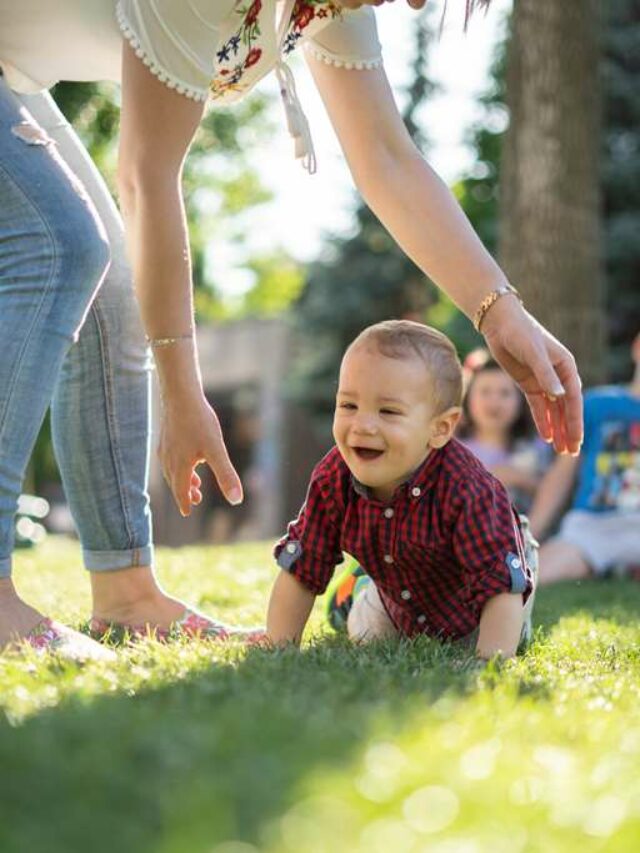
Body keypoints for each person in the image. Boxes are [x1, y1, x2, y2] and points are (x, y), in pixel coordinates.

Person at [0, 0, 580, 656]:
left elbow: (386, 159)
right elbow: (146, 174)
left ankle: (127, 596)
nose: (417, 4)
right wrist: (183, 393)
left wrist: (500, 312)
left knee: (111, 286)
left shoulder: (337, 4)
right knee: (60, 244)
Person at [266, 321, 538, 659]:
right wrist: (277, 647)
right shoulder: (333, 478)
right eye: (348, 405)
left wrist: (491, 664)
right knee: (369, 636)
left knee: (507, 637)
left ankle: (361, 587)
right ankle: (357, 592)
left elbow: (500, 586)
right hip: (399, 599)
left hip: (479, 606)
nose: (362, 426)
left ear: (440, 429)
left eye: (388, 411)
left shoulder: (469, 488)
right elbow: (302, 565)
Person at [529, 332, 640, 585]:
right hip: (593, 526)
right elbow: (562, 473)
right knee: (532, 577)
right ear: (637, 347)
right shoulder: (596, 405)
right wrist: (529, 534)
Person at [458, 349, 553, 514]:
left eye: (505, 393)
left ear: (521, 402)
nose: (494, 402)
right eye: (485, 392)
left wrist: (520, 478)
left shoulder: (537, 446)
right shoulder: (453, 448)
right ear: (468, 398)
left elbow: (556, 492)